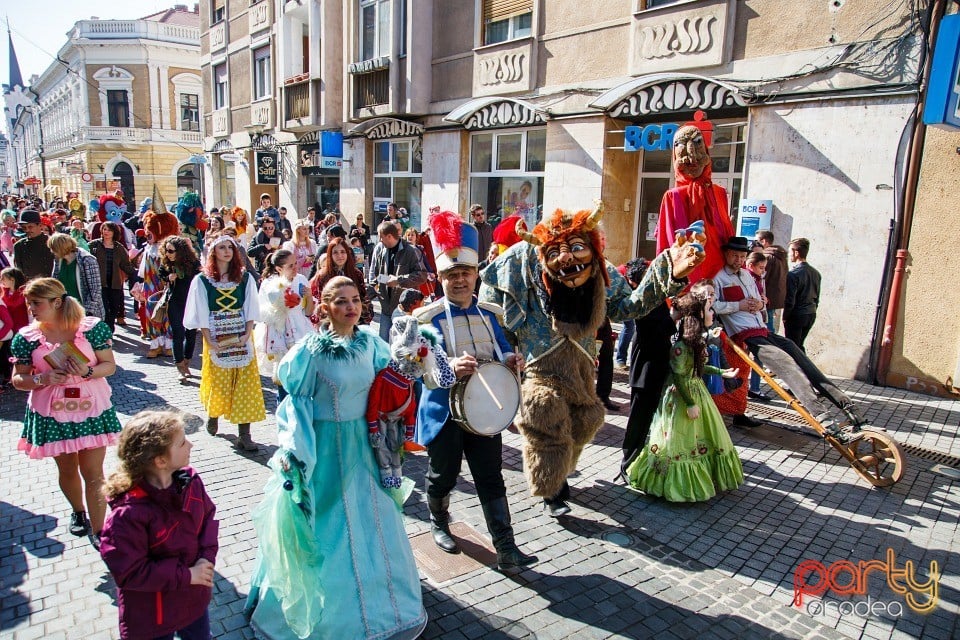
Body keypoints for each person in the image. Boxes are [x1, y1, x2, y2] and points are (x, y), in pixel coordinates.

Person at [480, 204, 697, 516]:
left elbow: (629, 306)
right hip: (539, 367)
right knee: (544, 414)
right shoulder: (525, 269)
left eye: (577, 248)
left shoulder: (599, 273)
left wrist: (668, 272)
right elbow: (495, 303)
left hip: (581, 368)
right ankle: (551, 490)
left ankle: (561, 473)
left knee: (585, 421)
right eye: (555, 252)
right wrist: (505, 356)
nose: (567, 258)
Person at [245, 276, 428, 640]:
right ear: (324, 307)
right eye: (341, 301)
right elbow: (295, 405)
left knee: (375, 520)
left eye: (356, 300)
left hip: (364, 445)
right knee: (326, 526)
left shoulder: (372, 344)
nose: (351, 307)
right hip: (324, 450)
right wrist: (296, 453)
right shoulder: (309, 352)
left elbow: (390, 385)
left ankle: (384, 604)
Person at [415, 210, 537, 569]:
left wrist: (512, 359)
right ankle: (439, 520)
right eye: (452, 275)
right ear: (442, 278)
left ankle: (507, 548)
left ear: (475, 275)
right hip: (444, 413)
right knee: (443, 475)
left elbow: (501, 348)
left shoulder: (490, 313)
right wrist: (447, 366)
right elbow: (416, 366)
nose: (459, 281)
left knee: (489, 476)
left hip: (485, 411)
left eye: (465, 273)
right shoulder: (427, 318)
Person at [713, 236, 865, 435]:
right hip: (746, 335)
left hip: (763, 329)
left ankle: (847, 406)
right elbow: (713, 305)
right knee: (786, 365)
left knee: (800, 357)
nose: (738, 260)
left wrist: (760, 304)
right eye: (735, 255)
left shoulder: (747, 275)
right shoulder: (718, 278)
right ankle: (822, 415)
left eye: (742, 256)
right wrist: (737, 305)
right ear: (726, 254)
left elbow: (760, 300)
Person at [10, 278, 121, 549]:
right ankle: (78, 511)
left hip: (92, 410)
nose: (31, 308)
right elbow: (18, 379)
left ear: (56, 302)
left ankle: (99, 530)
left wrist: (88, 372)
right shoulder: (26, 338)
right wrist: (43, 379)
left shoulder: (91, 329)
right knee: (68, 469)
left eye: (36, 303)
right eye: (29, 303)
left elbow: (110, 365)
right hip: (52, 413)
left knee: (94, 473)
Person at [100, 410, 218, 640]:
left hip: (192, 600)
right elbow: (130, 572)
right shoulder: (128, 515)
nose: (191, 445)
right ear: (161, 460)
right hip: (152, 616)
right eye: (183, 442)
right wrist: (187, 575)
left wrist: (206, 557)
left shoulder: (191, 482)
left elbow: (208, 520)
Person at [626, 288, 744, 501]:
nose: (712, 314)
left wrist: (721, 371)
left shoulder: (697, 342)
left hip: (695, 391)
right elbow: (680, 376)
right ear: (698, 315)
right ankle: (672, 482)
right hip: (682, 398)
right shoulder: (681, 346)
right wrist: (689, 403)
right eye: (709, 310)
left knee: (698, 438)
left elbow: (696, 368)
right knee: (677, 441)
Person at [184, 235, 266, 451]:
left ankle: (245, 434)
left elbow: (251, 307)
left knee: (245, 384)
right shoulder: (202, 280)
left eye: (230, 247)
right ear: (213, 252)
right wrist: (208, 339)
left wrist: (248, 333)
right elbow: (201, 311)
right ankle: (214, 412)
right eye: (222, 247)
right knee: (219, 382)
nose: (227, 251)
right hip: (216, 335)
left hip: (241, 334)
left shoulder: (245, 278)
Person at [620, 259, 675, 479]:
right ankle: (628, 463)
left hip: (657, 360)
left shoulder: (656, 297)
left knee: (650, 417)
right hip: (646, 365)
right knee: (639, 418)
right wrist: (676, 316)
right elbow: (664, 327)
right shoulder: (640, 301)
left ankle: (642, 463)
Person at [255, 249, 315, 401]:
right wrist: (282, 302)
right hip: (281, 332)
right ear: (279, 268)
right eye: (290, 266)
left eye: (296, 264)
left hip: (301, 330)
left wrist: (308, 296)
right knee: (283, 374)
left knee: (302, 372)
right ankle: (283, 408)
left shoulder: (301, 279)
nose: (295, 268)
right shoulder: (270, 284)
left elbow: (308, 312)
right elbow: (264, 313)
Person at [368, 221, 428, 341]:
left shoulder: (411, 251)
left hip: (404, 310)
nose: (380, 241)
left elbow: (422, 275)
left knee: (404, 346)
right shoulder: (381, 250)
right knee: (383, 346)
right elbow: (376, 275)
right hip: (386, 308)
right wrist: (370, 291)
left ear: (389, 236)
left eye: (381, 238)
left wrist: (399, 281)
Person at [159, 236, 201, 381]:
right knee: (178, 334)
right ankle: (180, 367)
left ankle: (187, 362)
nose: (168, 254)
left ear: (180, 251)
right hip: (174, 302)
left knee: (191, 335)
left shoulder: (193, 263)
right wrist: (168, 278)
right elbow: (161, 274)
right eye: (166, 250)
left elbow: (201, 278)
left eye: (171, 251)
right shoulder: (166, 264)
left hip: (191, 303)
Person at [88, 222, 138, 333]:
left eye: (109, 230)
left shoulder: (119, 248)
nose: (106, 232)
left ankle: (109, 327)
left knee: (114, 308)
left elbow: (125, 265)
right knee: (104, 308)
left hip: (115, 283)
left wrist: (136, 274)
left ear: (114, 232)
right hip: (100, 283)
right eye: (104, 229)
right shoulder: (93, 245)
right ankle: (108, 331)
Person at [309, 237, 369, 324]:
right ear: (330, 255)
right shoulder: (322, 275)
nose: (340, 256)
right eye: (335, 253)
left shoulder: (356, 274)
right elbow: (319, 301)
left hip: (354, 321)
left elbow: (363, 298)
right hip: (331, 324)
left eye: (343, 252)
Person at [48, 233, 106, 321]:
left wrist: (87, 311)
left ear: (61, 248)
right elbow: (54, 282)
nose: (52, 251)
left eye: (53, 248)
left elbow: (95, 290)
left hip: (84, 311)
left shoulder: (87, 260)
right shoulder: (58, 260)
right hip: (64, 310)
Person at [784, 237, 821, 353]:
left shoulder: (793, 274)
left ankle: (801, 370)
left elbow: (790, 299)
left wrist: (785, 316)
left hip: (797, 315)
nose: (789, 255)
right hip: (810, 313)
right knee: (798, 346)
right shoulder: (816, 273)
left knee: (793, 348)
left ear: (796, 252)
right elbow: (817, 298)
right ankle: (804, 369)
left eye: (790, 251)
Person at [744, 251, 772, 402]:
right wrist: (762, 304)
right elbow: (752, 303)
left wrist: (765, 302)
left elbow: (761, 300)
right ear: (750, 265)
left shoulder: (758, 278)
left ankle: (754, 387)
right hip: (749, 325)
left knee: (756, 357)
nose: (763, 271)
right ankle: (752, 388)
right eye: (761, 268)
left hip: (758, 321)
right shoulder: (748, 278)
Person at [754, 230, 788, 333]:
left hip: (768, 297)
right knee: (769, 322)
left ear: (763, 241)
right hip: (776, 297)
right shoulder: (780, 256)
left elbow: (762, 277)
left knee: (767, 325)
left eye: (756, 240)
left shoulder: (768, 256)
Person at [13, 208, 55, 280]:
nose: (27, 230)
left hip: (50, 285)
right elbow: (19, 271)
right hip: (29, 286)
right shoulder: (19, 246)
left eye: (30, 227)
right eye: (24, 227)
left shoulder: (52, 242)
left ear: (40, 225)